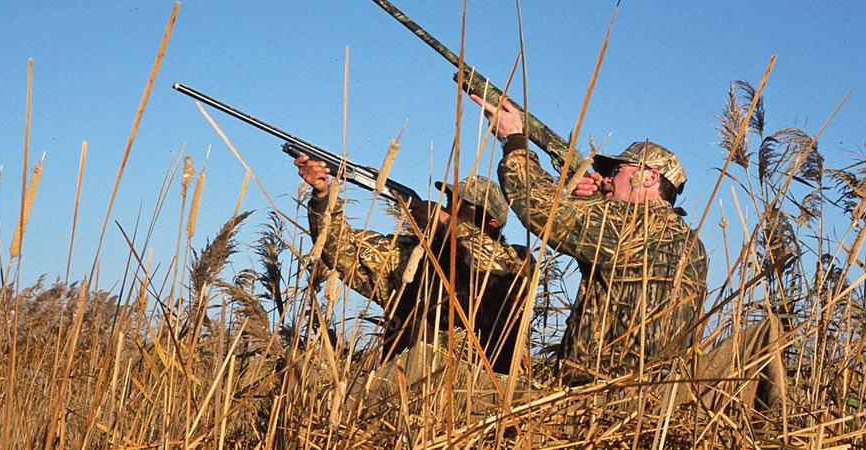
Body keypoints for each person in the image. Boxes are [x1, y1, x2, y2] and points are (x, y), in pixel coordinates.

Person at [471, 95, 709, 384]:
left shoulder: (629, 223)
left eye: (617, 171)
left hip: (597, 402)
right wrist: (590, 199)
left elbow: (538, 207)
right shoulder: (689, 242)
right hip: (653, 402)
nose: (606, 178)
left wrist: (514, 140)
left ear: (649, 178)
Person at [294, 155, 535, 374]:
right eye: (450, 200)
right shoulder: (413, 255)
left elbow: (491, 262)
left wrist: (444, 222)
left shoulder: (516, 259)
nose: (450, 207)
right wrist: (324, 197)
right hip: (405, 392)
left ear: (491, 223)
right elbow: (340, 252)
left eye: (463, 205)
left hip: (483, 399)